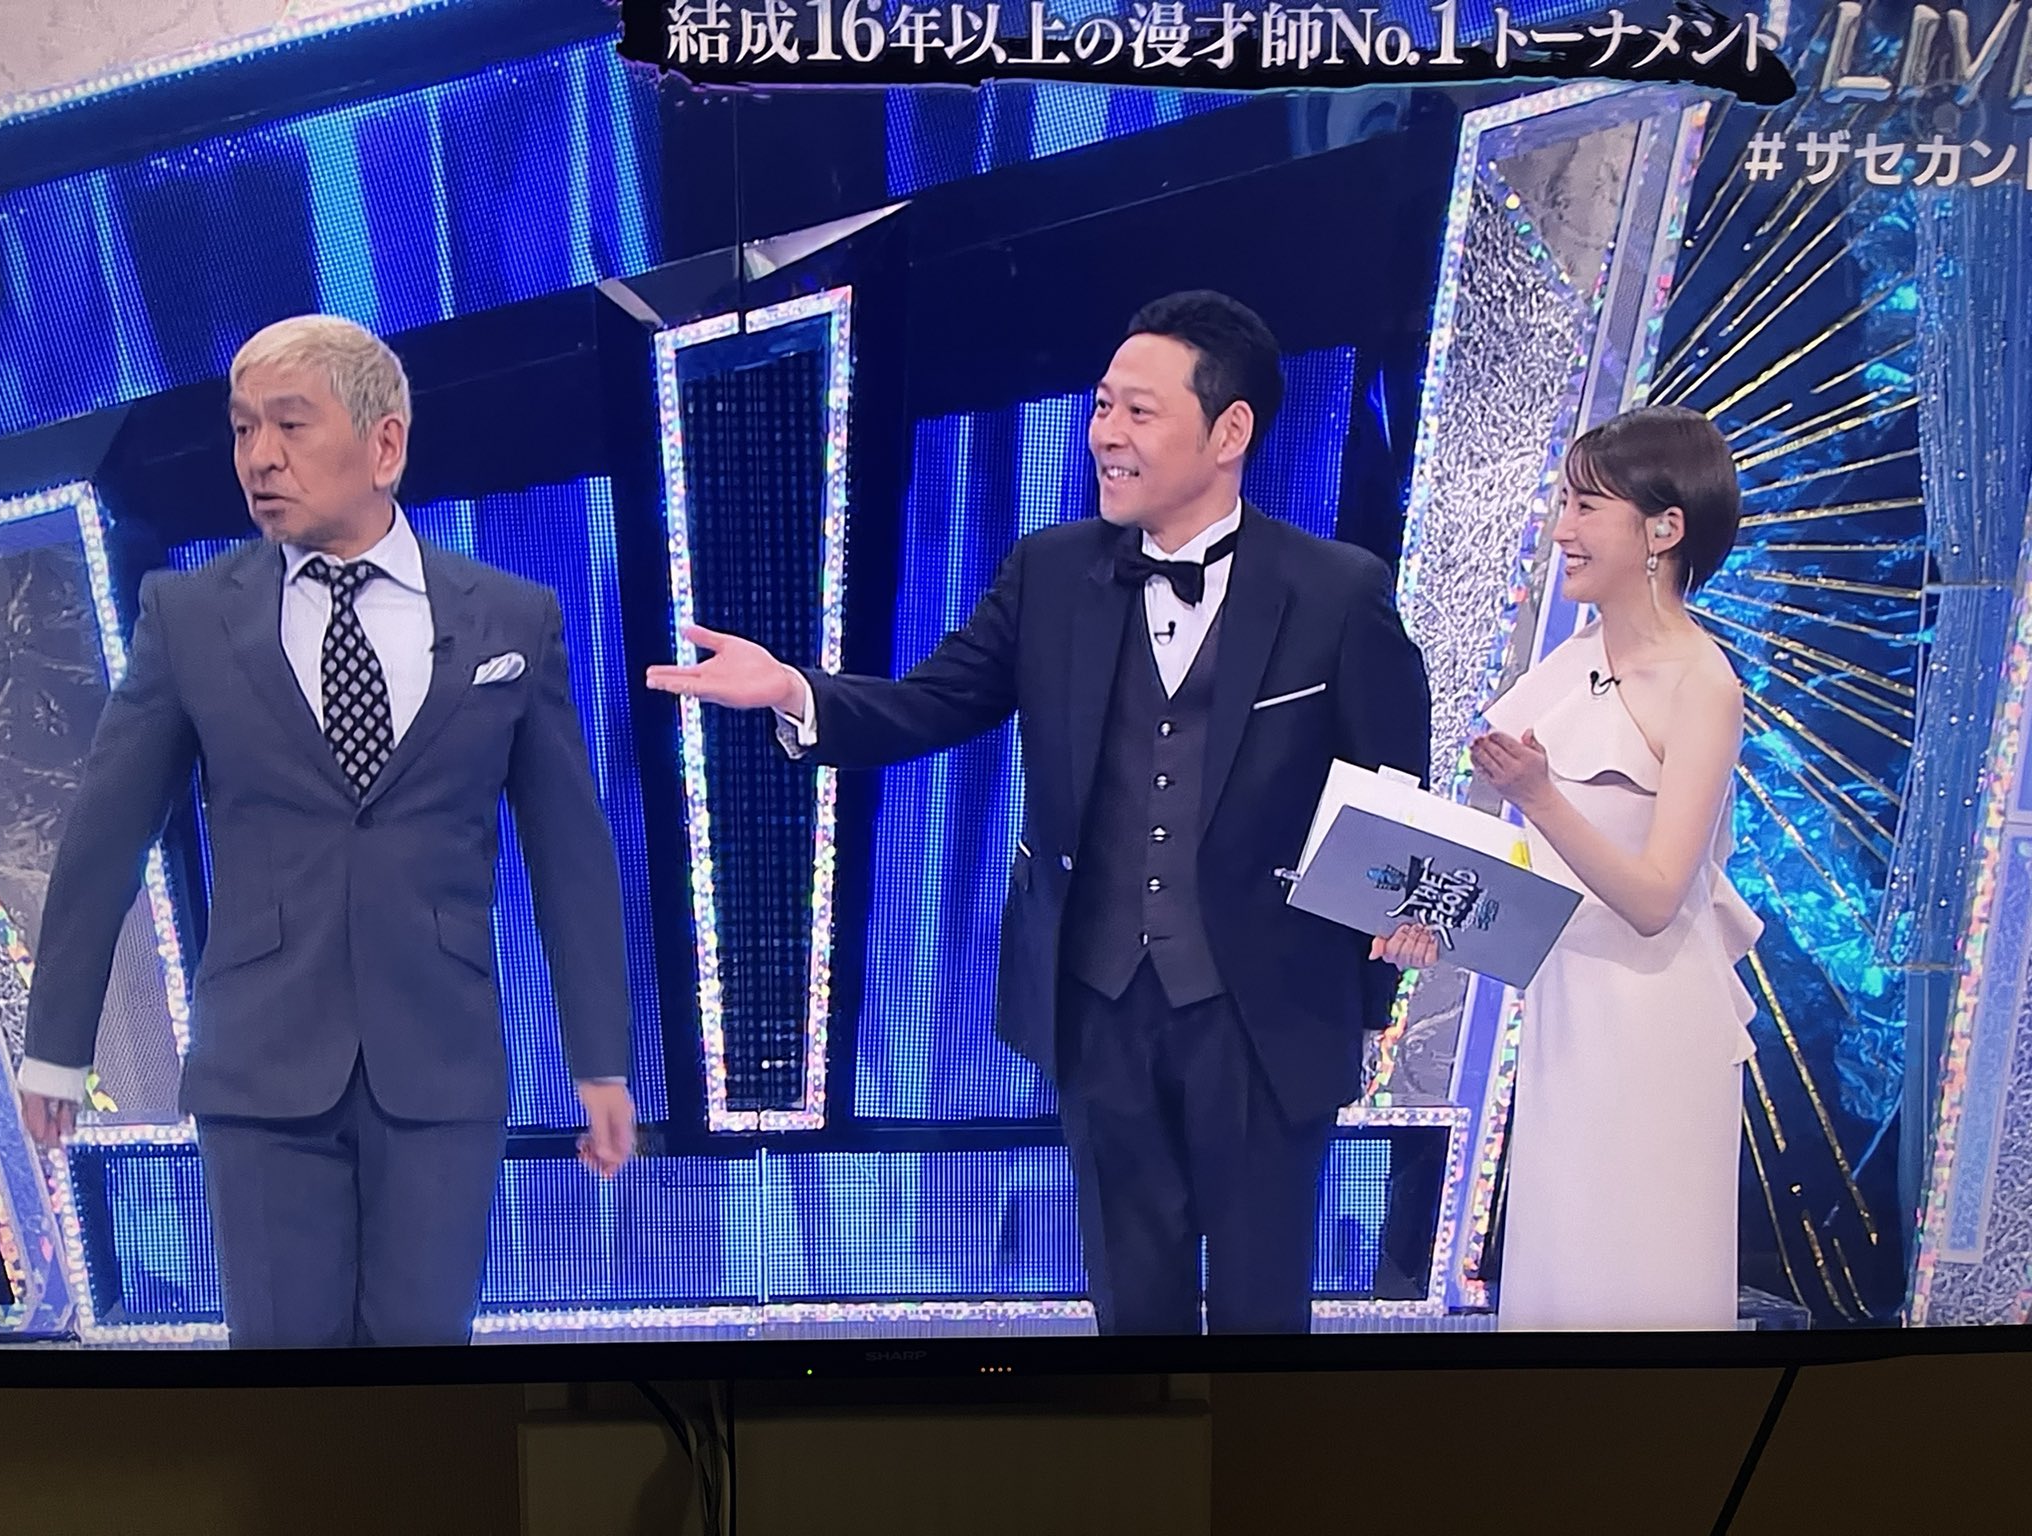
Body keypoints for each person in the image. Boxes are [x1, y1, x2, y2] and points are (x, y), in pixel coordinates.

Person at [646, 291, 1432, 1335]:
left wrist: (1387, 963)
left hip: (1265, 1015)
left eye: (1139, 411)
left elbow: (1392, 788)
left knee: (1261, 1312)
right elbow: (933, 702)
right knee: (1131, 1309)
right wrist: (796, 691)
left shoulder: (1335, 591)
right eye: (1102, 406)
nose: (1106, 433)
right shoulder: (1050, 571)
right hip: (1096, 1005)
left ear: (1230, 429)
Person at [18, 315, 637, 1348]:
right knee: (286, 1390)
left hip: (438, 1068)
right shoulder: (189, 617)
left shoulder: (511, 619)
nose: (259, 457)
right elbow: (104, 837)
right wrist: (55, 1049)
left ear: (384, 445)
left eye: (291, 426)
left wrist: (599, 1062)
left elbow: (570, 854)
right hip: (261, 1073)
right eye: (242, 429)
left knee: (421, 1382)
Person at [1378, 404, 1758, 1331]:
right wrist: (1438, 916)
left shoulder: (1704, 685)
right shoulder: (1574, 661)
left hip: (1656, 1031)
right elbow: (1532, 869)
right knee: (1559, 1287)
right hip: (1563, 1015)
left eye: (1588, 507)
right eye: (1564, 504)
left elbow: (1657, 897)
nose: (1563, 530)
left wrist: (1542, 796)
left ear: (1664, 529)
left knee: (1640, 1291)